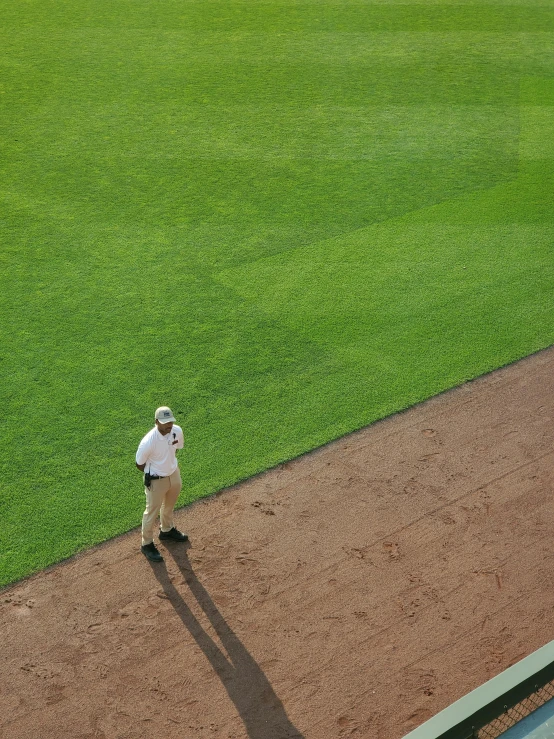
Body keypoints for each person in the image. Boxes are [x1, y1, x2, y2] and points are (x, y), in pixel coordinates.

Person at [136, 406, 189, 562]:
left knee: (169, 505)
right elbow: (139, 464)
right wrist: (155, 472)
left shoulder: (176, 431)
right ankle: (146, 544)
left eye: (170, 421)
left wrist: (168, 466)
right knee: (151, 512)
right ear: (156, 422)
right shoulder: (148, 442)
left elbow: (176, 449)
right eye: (165, 422)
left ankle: (166, 530)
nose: (169, 425)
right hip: (156, 481)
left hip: (174, 474)